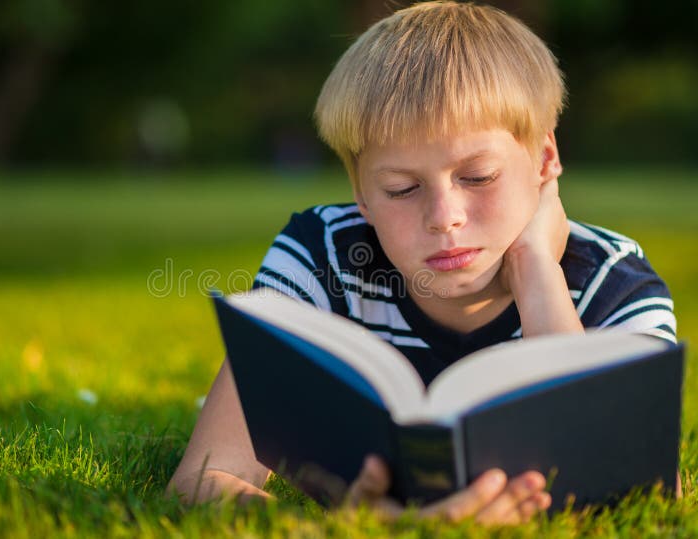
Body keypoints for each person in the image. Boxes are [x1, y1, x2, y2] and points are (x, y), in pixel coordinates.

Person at [167, 1, 677, 525]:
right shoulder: (321, 254)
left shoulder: (616, 284)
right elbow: (203, 478)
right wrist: (361, 531)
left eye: (478, 177)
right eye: (401, 189)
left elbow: (643, 493)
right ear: (361, 194)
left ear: (545, 160)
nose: (444, 217)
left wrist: (536, 273)